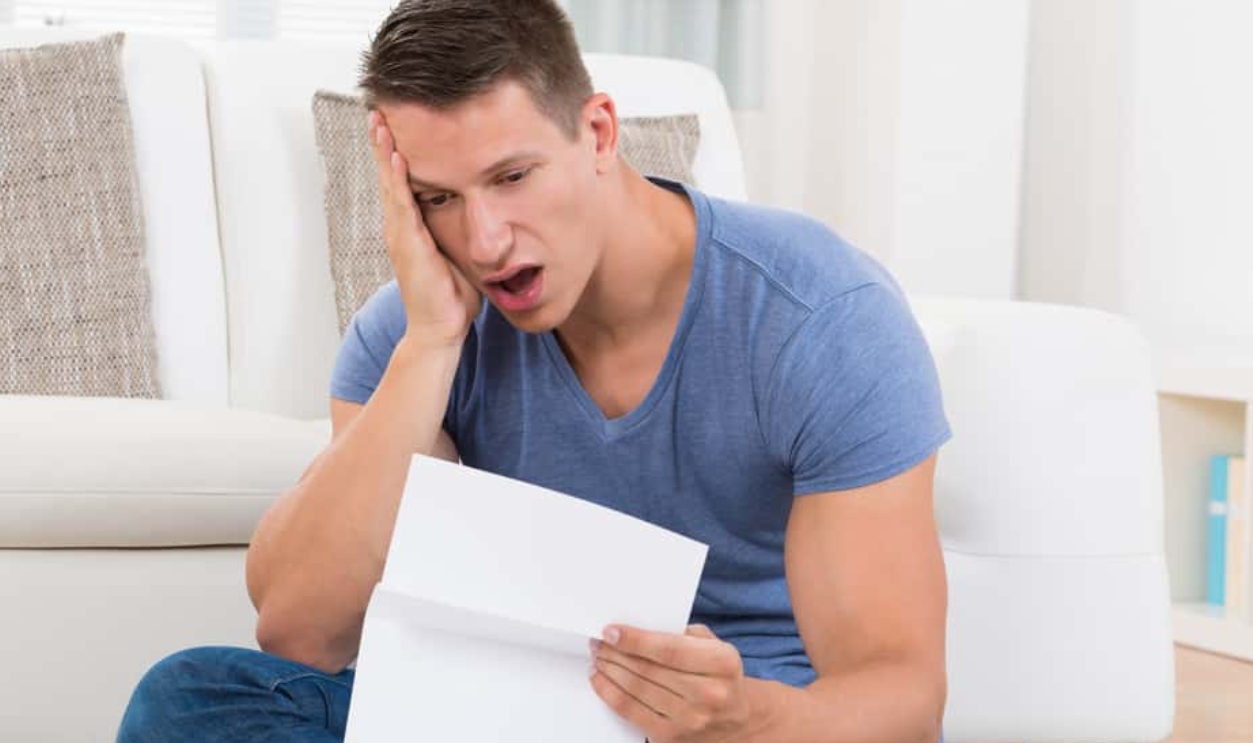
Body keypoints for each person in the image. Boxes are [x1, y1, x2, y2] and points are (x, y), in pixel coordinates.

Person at [117, 1, 951, 741]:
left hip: (729, 726)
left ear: (596, 133)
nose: (483, 241)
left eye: (511, 178)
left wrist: (746, 717)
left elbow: (901, 700)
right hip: (488, 711)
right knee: (191, 698)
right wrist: (431, 343)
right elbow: (305, 632)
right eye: (439, 198)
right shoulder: (411, 334)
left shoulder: (817, 318)